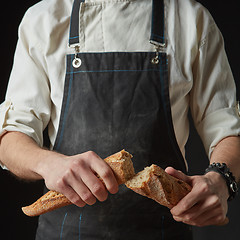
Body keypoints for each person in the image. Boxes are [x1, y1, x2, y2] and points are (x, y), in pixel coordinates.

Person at [0, 0, 239, 239]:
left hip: (163, 231)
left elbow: (228, 128)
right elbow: (10, 139)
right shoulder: (43, 19)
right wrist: (47, 163)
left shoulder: (190, 19)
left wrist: (220, 180)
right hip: (64, 233)